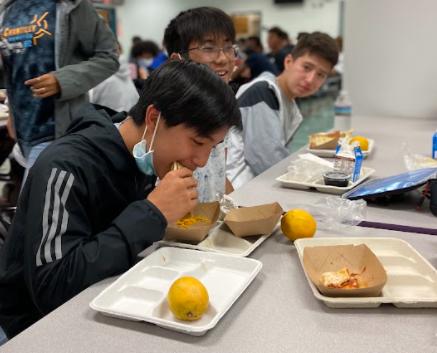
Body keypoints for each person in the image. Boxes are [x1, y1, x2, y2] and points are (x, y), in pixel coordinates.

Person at [0, 59, 242, 340]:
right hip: (30, 327)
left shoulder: (145, 160)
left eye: (212, 147)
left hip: (108, 304)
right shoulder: (65, 166)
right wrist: (153, 213)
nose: (200, 161)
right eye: (198, 142)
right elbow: (51, 288)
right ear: (153, 119)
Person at [0, 0, 119, 180]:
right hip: (22, 132)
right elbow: (15, 68)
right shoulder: (7, 9)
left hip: (57, 129)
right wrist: (11, 111)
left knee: (38, 204)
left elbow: (108, 56)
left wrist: (63, 80)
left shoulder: (72, 5)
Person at [226, 32, 339, 188]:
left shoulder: (289, 105)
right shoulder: (262, 93)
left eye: (320, 74)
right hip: (239, 193)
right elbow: (269, 163)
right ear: (288, 62)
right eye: (307, 67)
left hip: (259, 187)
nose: (310, 79)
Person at [164, 6, 240, 202]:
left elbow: (220, 174)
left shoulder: (221, 108)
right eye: (208, 48)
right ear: (178, 60)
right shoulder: (166, 118)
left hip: (210, 222)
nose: (223, 59)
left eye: (228, 47)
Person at [90, 42, 139, 113]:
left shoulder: (124, 73)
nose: (117, 52)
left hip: (113, 120)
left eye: (117, 49)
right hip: (124, 120)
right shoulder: (124, 73)